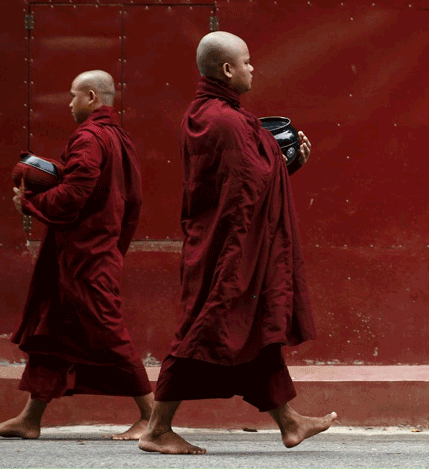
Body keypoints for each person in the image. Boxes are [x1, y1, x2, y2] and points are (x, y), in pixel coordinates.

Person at [138, 31, 337, 455]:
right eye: (247, 62)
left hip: (214, 237)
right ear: (228, 69)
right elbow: (249, 187)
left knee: (252, 328)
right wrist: (287, 163)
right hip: (230, 247)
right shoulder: (229, 121)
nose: (252, 68)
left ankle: (290, 422)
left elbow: (241, 181)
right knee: (204, 327)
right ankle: (157, 429)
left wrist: (280, 166)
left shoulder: (201, 113)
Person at [0, 70, 153, 440]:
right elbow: (134, 201)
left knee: (108, 330)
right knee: (52, 331)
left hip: (85, 256)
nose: (69, 103)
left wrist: (30, 202)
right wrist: (115, 244)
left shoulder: (89, 138)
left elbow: (75, 194)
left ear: (92, 97)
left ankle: (152, 417)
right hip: (95, 250)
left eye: (74, 96)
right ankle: (30, 420)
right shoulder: (119, 138)